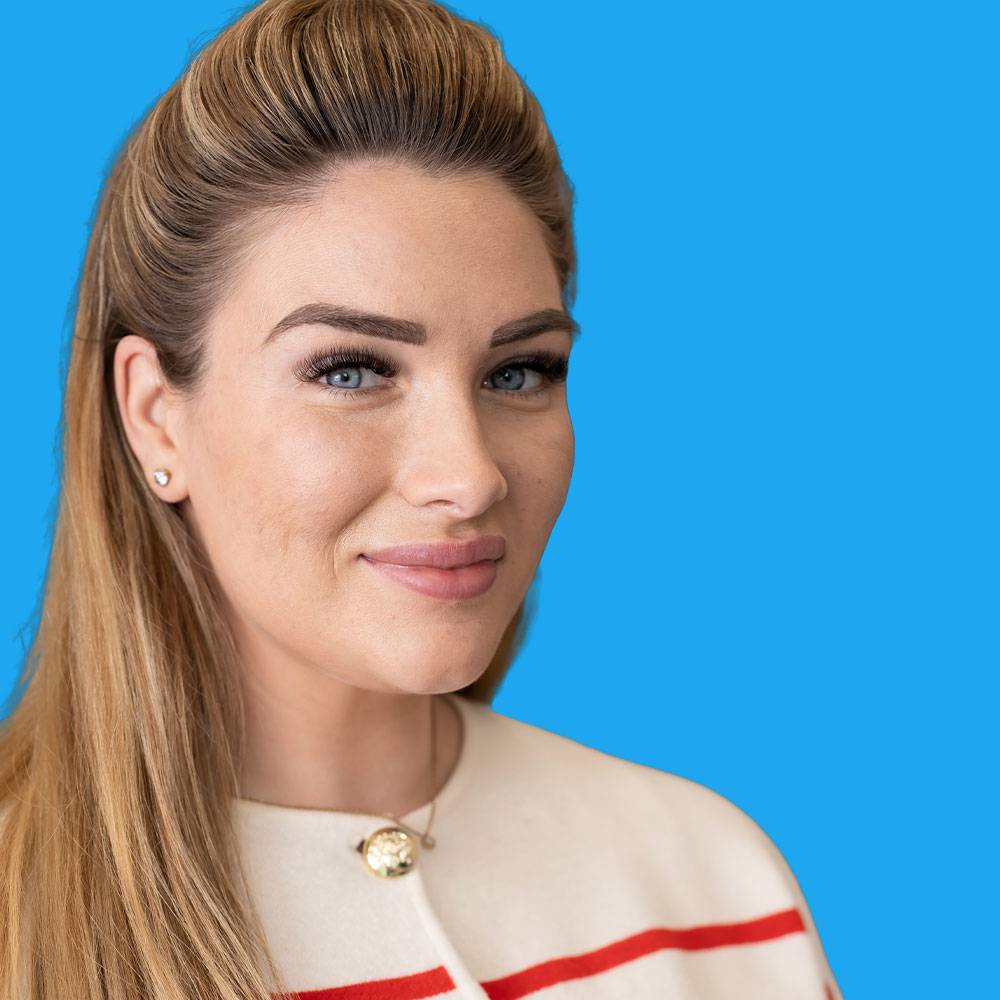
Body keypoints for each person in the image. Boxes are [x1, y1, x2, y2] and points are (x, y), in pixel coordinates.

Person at [0, 1, 842, 997]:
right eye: (351, 370)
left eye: (518, 371)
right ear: (154, 416)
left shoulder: (711, 880)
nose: (469, 474)